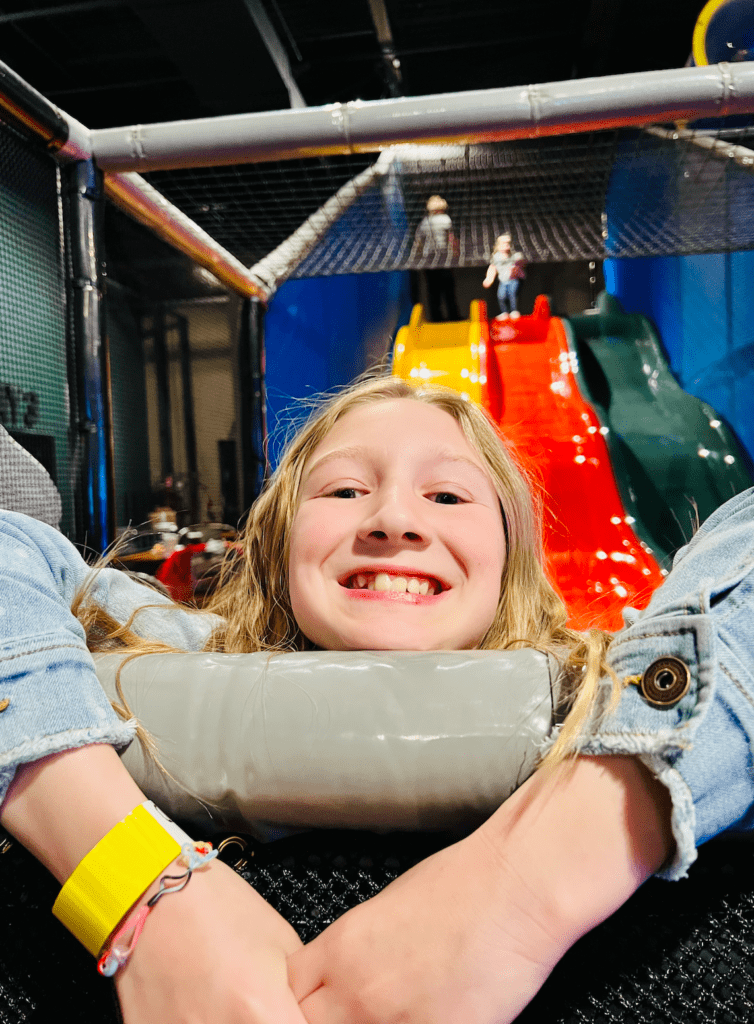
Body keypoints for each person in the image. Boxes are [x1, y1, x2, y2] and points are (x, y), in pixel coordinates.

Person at [1, 375, 752, 1024]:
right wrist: (136, 888)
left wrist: (522, 887)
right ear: (280, 544)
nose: (393, 519)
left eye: (449, 494)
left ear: (508, 558)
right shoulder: (181, 644)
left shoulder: (601, 679)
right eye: (346, 490)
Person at [412, 195, 460, 322]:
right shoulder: (445, 219)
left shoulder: (424, 222)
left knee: (433, 290)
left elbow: (418, 243)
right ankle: (453, 315)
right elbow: (451, 238)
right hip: (444, 260)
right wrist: (456, 252)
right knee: (448, 289)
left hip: (429, 262)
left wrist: (417, 258)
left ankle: (436, 317)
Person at [483, 232, 526, 319]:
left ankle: (514, 311)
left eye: (508, 243)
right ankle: (504, 312)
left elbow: (521, 263)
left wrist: (518, 266)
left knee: (512, 294)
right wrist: (489, 278)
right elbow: (493, 267)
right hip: (503, 281)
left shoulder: (514, 256)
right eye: (503, 243)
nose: (506, 246)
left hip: (513, 280)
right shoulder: (496, 257)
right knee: (501, 296)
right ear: (498, 246)